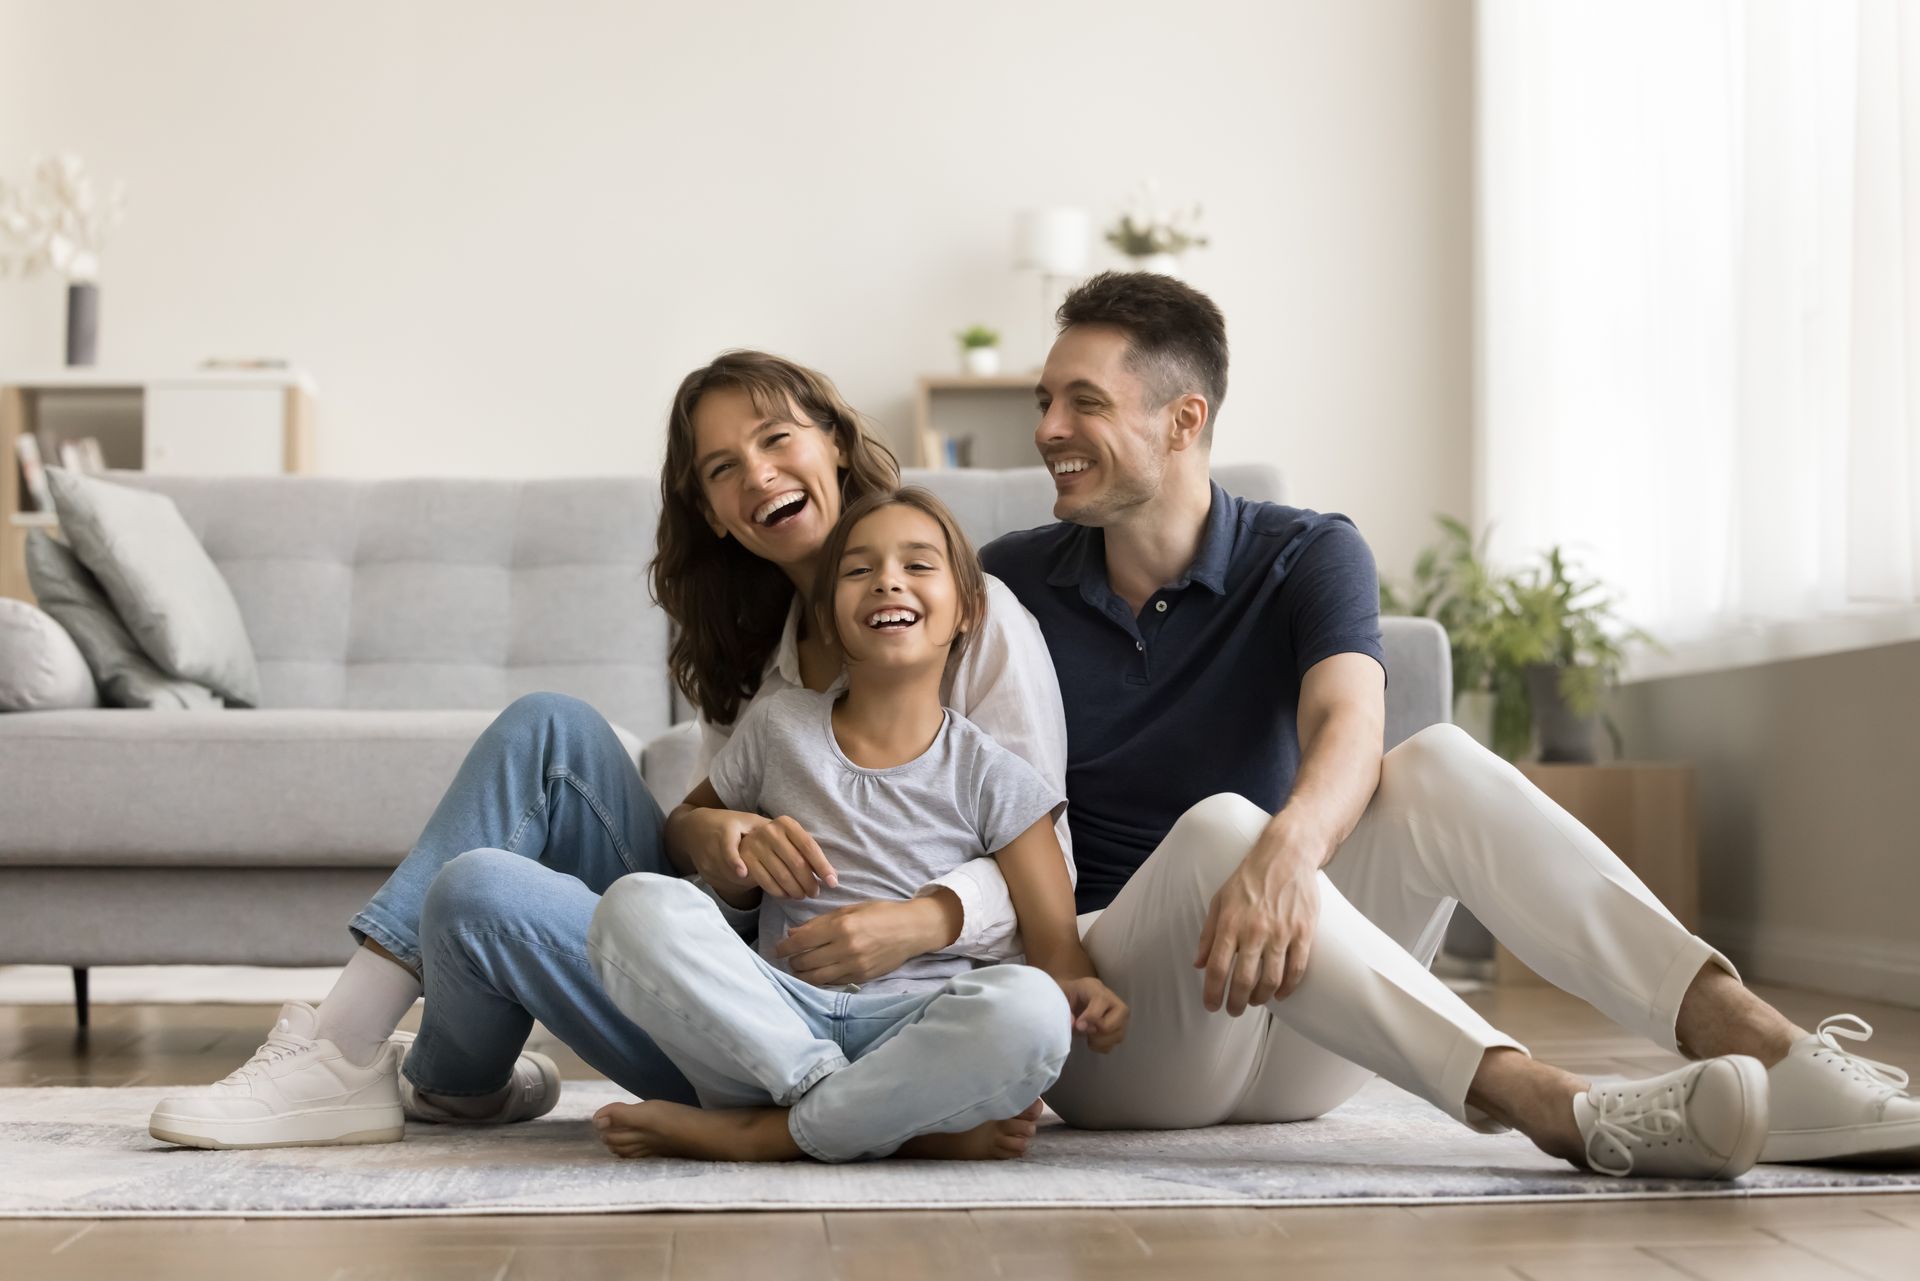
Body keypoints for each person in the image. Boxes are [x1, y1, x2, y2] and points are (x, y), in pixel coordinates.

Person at [980, 271, 1919, 1178]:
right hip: (1124, 1033)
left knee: (1433, 759)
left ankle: (1779, 1059)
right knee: (1226, 825)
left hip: (1301, 1021)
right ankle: (1556, 1107)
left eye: (1083, 402)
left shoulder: (1307, 550)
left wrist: (1289, 853)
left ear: (1184, 419)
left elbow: (1351, 719)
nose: (1048, 429)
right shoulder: (1007, 581)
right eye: (1046, 400)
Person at [147, 352, 1074, 1151]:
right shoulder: (765, 670)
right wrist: (715, 840)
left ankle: (784, 1124)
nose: (756, 474)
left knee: (486, 886)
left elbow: (1047, 853)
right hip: (747, 998)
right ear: (711, 513)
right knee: (514, 799)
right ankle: (373, 1060)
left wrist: (923, 920)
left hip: (920, 1002)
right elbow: (708, 886)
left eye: (775, 438)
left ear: (834, 439)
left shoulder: (975, 621)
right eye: (722, 467)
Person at [584, 488, 1127, 1163]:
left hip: (920, 1026)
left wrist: (1085, 994)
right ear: (828, 617)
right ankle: (874, 1116)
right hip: (776, 1021)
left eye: (918, 565)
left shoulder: (998, 776)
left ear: (968, 612)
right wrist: (716, 832)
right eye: (859, 570)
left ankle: (776, 1132)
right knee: (633, 904)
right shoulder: (778, 726)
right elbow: (685, 823)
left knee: (1032, 1010)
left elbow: (1056, 952)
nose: (888, 580)